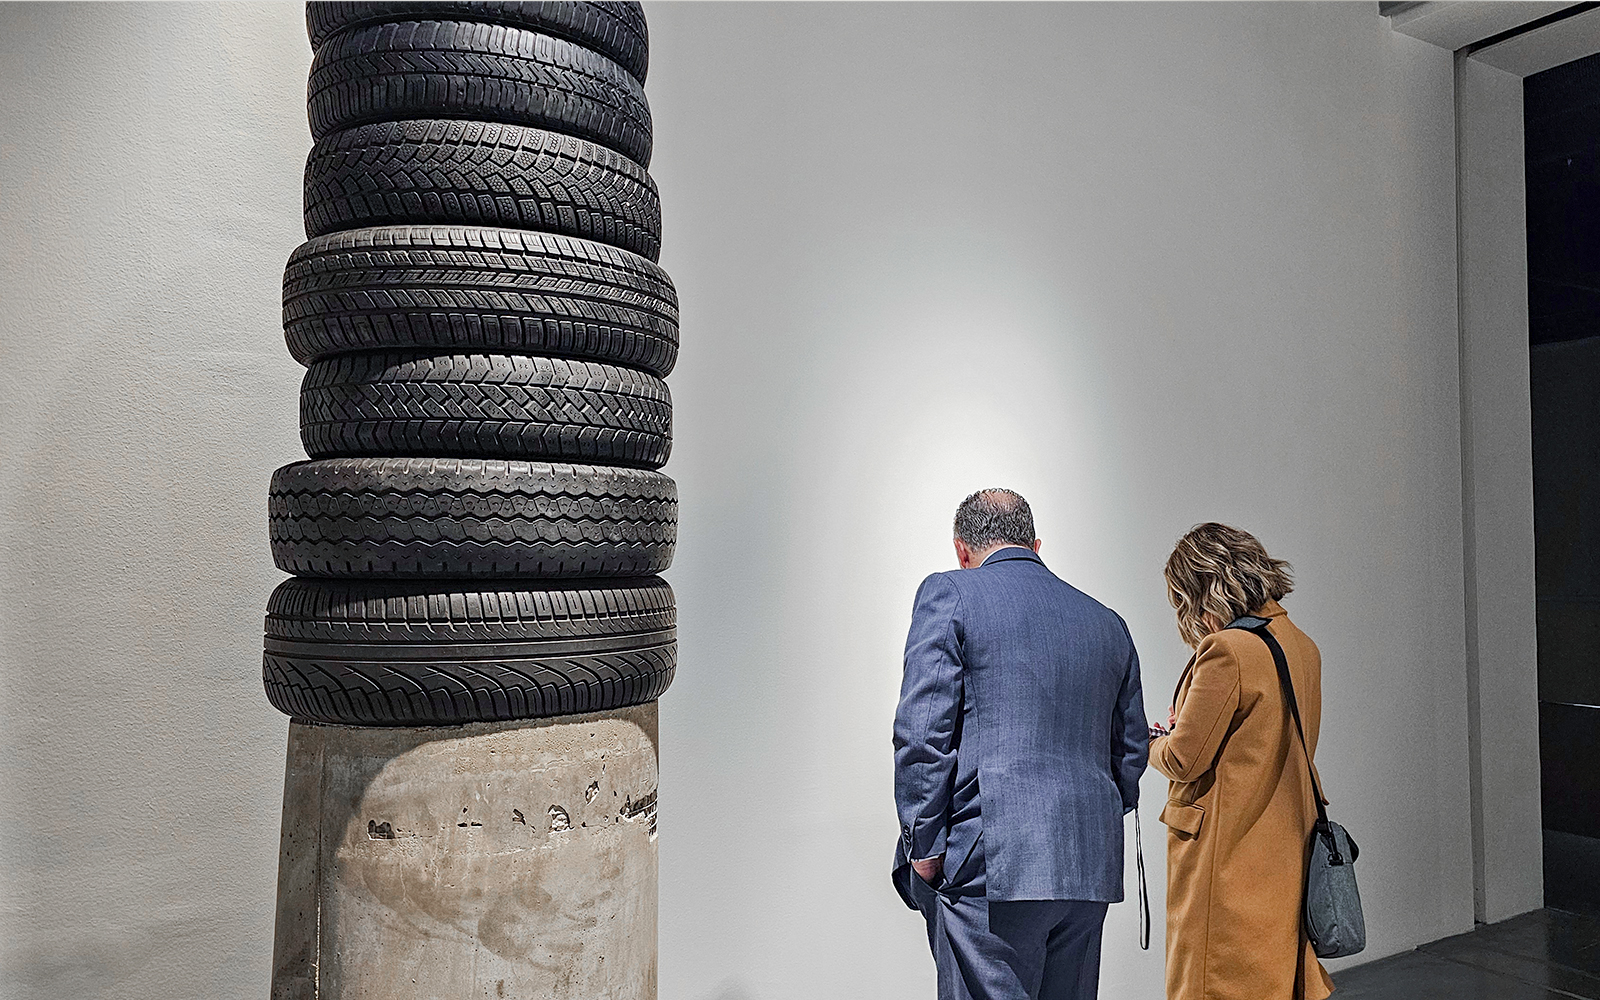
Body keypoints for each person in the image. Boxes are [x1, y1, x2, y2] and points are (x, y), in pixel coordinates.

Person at [892, 489, 1149, 1000]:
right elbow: (1132, 748)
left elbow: (922, 732)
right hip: (1085, 866)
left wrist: (923, 846)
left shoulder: (951, 593)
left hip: (992, 864)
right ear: (1035, 544)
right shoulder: (1107, 621)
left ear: (962, 550)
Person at [1149, 523, 1335, 1000]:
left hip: (1225, 855)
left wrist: (1148, 739)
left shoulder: (1227, 651)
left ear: (1202, 590)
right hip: (1283, 847)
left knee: (1214, 983)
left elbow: (1183, 758)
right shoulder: (1302, 644)